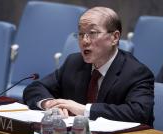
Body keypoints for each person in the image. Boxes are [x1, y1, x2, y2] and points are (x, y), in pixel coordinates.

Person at [23, 7, 154, 126]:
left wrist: (84, 110)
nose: (85, 41)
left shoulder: (136, 72)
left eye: (92, 33)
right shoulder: (74, 62)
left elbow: (139, 113)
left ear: (115, 37)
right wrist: (50, 104)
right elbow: (35, 87)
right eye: (80, 34)